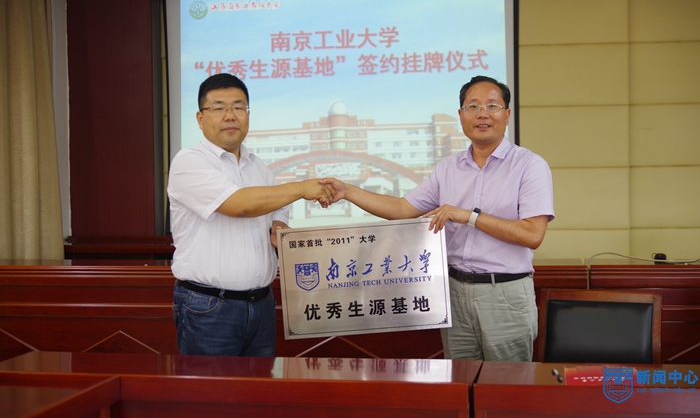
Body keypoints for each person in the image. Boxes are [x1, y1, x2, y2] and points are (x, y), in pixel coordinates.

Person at [321, 75, 554, 361]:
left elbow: (532, 234)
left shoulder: (529, 166)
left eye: (492, 106)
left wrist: (469, 216)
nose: (482, 114)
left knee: (506, 382)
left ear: (506, 114)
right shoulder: (448, 168)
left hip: (504, 293)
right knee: (460, 379)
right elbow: (401, 208)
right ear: (461, 115)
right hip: (453, 291)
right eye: (473, 106)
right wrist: (348, 191)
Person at [168, 73, 335, 357]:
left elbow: (276, 207)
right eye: (218, 107)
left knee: (259, 385)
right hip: (209, 306)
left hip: (261, 303)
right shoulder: (190, 161)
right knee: (211, 386)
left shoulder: (257, 166)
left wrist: (278, 225)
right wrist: (302, 188)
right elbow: (239, 204)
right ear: (200, 118)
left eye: (239, 107)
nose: (230, 115)